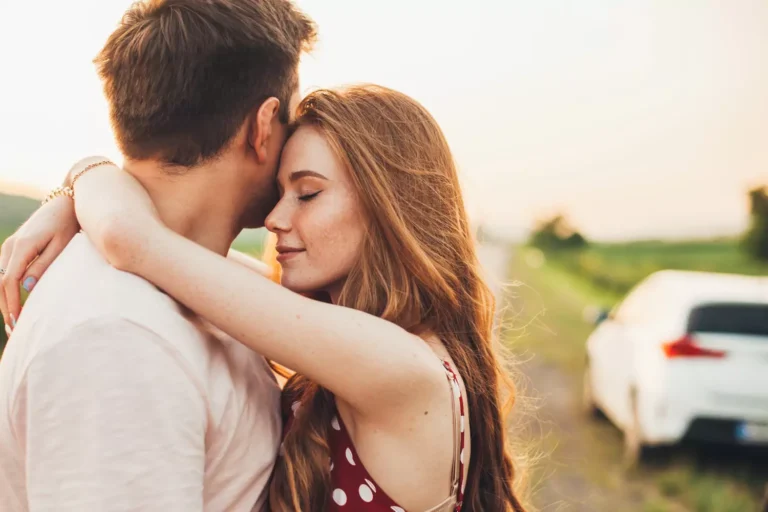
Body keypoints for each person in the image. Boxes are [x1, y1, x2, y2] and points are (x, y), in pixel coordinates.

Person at [1, 84, 528, 511]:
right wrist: (72, 193)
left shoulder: (402, 366)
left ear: (388, 205)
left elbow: (134, 242)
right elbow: (181, 258)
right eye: (280, 193)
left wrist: (81, 177)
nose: (275, 219)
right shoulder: (353, 332)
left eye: (308, 193)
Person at [0, 0, 316, 510]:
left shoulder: (223, 285)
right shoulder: (118, 336)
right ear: (263, 127)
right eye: (293, 119)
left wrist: (82, 176)